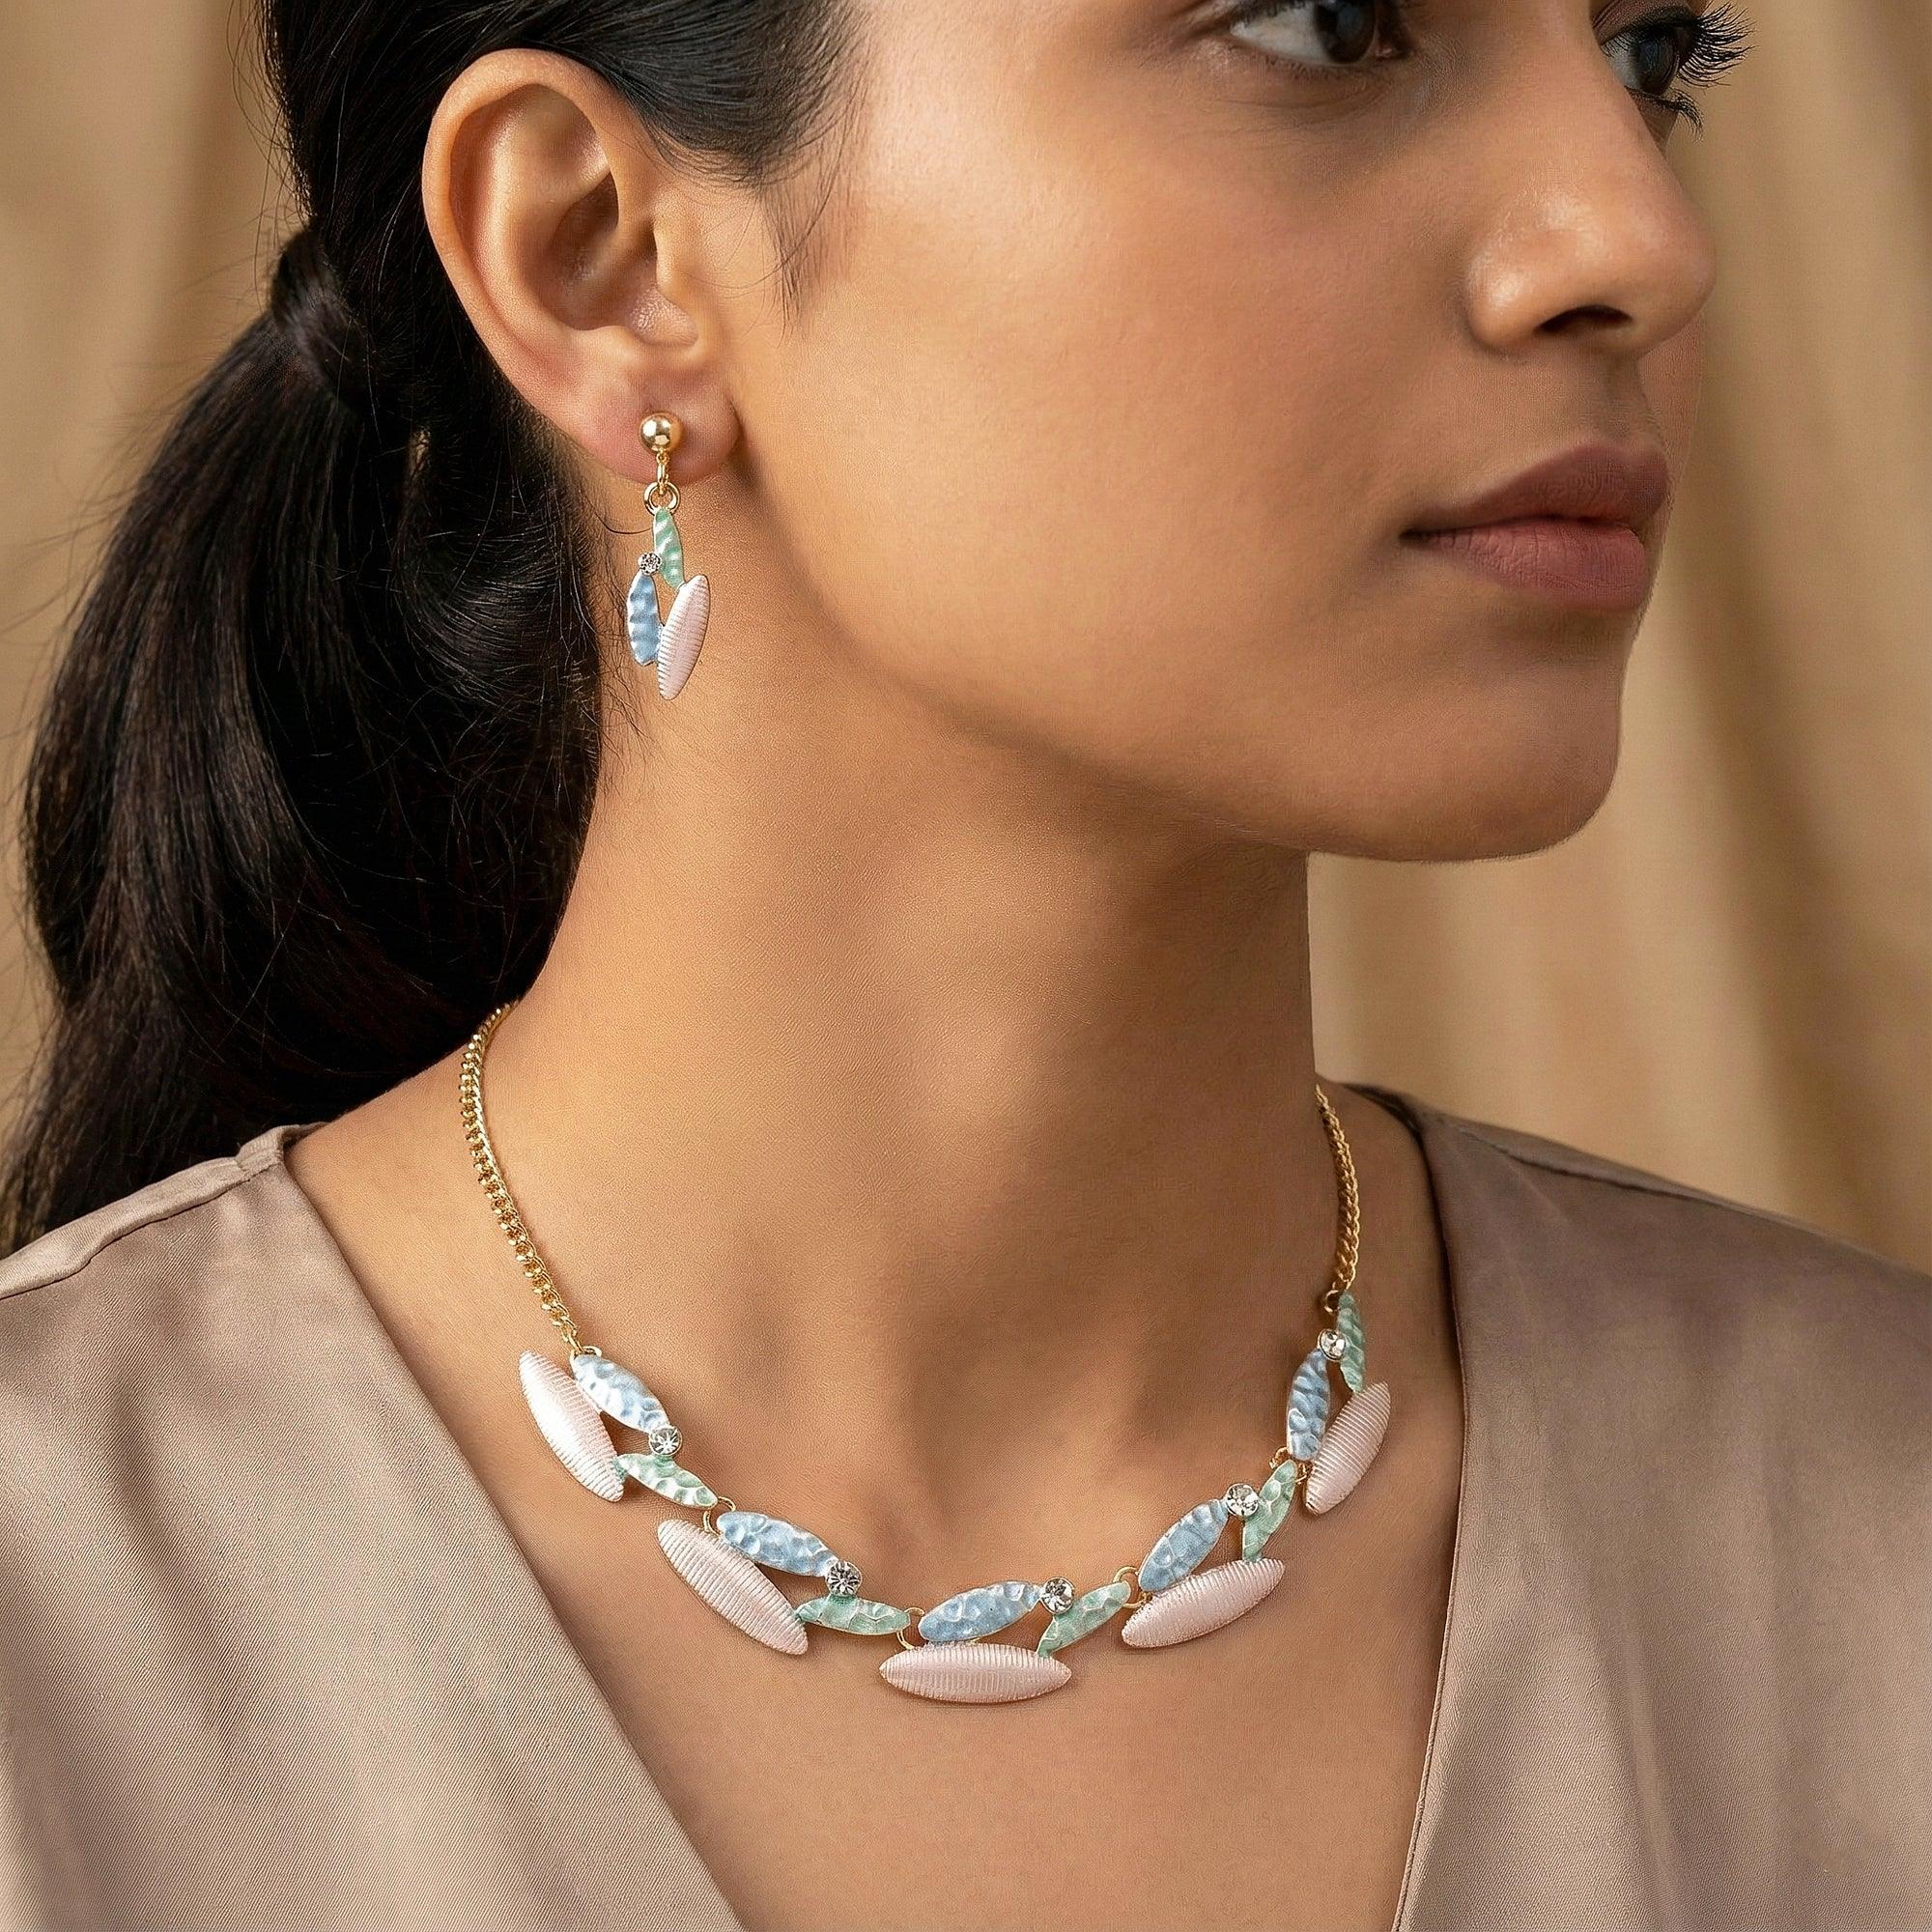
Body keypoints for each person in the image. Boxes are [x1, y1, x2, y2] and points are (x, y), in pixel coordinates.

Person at [1, 0, 1924, 1927]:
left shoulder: (1870, 1551)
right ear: (602, 256)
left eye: (1653, 58)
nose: (1636, 242)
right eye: (1324, 26)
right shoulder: (56, 1631)